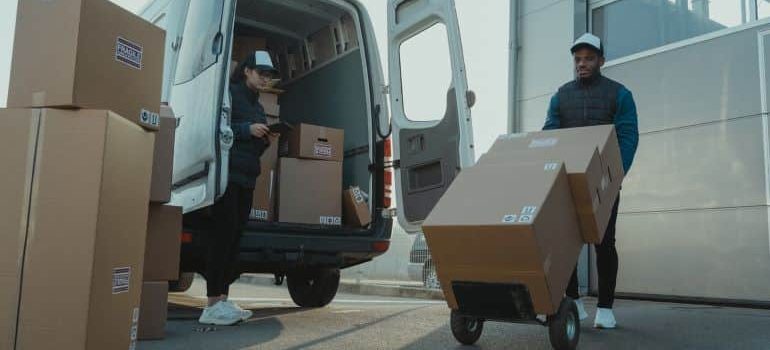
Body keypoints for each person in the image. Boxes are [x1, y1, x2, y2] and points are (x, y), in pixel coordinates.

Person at [543, 33, 639, 329]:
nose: (582, 64)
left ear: (601, 61)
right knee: (565, 243)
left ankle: (606, 309)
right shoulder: (561, 95)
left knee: (603, 243)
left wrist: (614, 176)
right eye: (577, 59)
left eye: (588, 58)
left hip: (604, 184)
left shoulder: (619, 94)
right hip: (567, 182)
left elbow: (627, 137)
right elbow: (550, 134)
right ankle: (572, 301)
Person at [198, 51, 278, 326]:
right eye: (261, 73)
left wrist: (265, 137)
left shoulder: (258, 105)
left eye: (269, 75)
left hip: (247, 177)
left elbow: (254, 142)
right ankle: (210, 304)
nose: (265, 79)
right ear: (246, 70)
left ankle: (222, 300)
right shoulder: (229, 94)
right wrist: (247, 130)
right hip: (227, 176)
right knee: (222, 236)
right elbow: (215, 126)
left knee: (235, 238)